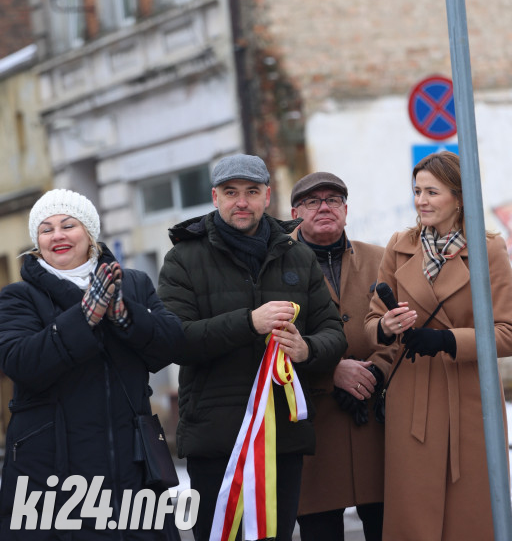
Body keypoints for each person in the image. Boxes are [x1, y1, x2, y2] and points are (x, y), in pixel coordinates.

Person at [157, 154, 346, 541]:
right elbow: (174, 340)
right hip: (216, 439)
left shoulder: (298, 256)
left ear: (266, 196)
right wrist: (249, 323)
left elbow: (333, 332)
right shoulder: (183, 259)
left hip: (282, 439)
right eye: (230, 192)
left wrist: (304, 349)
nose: (241, 201)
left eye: (251, 192)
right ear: (215, 197)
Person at [0, 188, 185, 540]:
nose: (57, 235)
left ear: (89, 233)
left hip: (133, 466)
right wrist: (85, 316)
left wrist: (124, 315)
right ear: (37, 242)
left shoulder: (133, 284)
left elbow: (171, 344)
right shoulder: (19, 296)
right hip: (52, 471)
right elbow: (20, 362)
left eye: (68, 225)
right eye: (46, 229)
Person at [364, 151, 512, 541]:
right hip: (412, 396)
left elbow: (507, 331)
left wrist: (447, 339)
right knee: (415, 514)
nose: (421, 201)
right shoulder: (398, 245)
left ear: (459, 197)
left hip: (469, 398)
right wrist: (385, 325)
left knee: (471, 515)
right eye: (417, 191)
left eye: (432, 191)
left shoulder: (488, 249)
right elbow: (370, 324)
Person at [290, 171, 392, 541]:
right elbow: (264, 345)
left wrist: (377, 371)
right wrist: (329, 372)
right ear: (294, 212)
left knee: (386, 527)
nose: (324, 208)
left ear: (346, 210)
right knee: (320, 531)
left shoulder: (381, 259)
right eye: (312, 202)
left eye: (333, 200)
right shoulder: (275, 263)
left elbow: (399, 330)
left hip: (375, 425)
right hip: (311, 428)